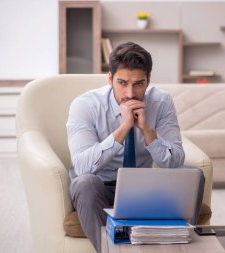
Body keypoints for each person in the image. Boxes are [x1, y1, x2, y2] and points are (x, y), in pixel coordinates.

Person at [66, 42, 202, 252]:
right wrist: (123, 129)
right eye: (122, 83)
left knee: (194, 175)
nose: (130, 93)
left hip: (141, 187)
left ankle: (178, 247)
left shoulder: (161, 101)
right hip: (99, 186)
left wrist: (147, 129)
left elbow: (174, 162)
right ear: (110, 78)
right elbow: (83, 166)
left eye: (139, 83)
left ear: (148, 80)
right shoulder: (85, 105)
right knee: (85, 183)